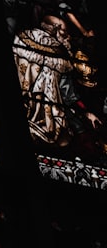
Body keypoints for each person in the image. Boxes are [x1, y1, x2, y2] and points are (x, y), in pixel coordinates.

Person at [13, 14, 103, 154]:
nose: (67, 37)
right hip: (49, 114)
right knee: (65, 136)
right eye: (65, 32)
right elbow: (67, 93)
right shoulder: (58, 54)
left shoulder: (21, 38)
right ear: (55, 28)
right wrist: (85, 112)